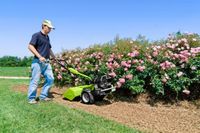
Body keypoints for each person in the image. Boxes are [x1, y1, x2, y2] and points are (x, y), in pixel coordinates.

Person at [28, 19, 56, 104]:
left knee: (50, 78)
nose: (50, 30)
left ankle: (43, 96)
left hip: (47, 62)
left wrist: (54, 57)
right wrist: (40, 56)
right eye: (49, 28)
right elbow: (30, 46)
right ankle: (31, 98)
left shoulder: (47, 37)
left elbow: (49, 48)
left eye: (51, 28)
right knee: (35, 80)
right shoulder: (36, 35)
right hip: (38, 62)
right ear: (44, 26)